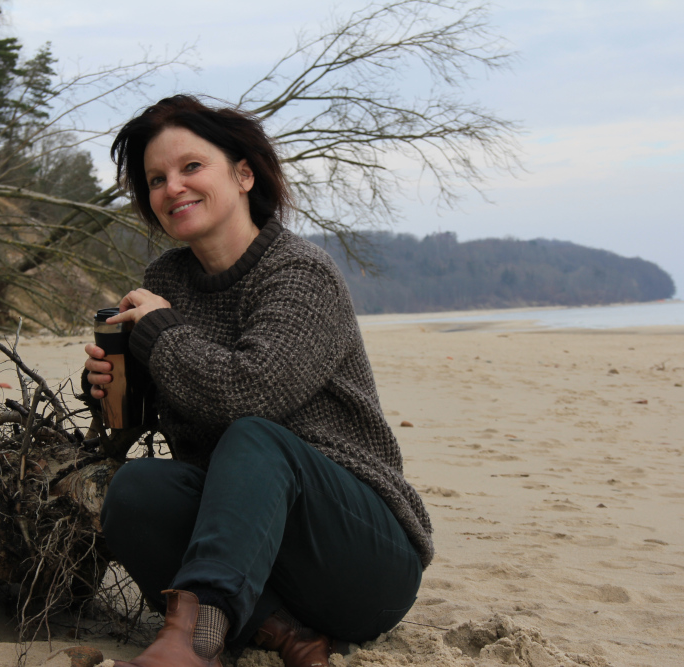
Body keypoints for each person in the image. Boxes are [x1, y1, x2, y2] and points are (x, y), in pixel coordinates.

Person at [84, 95, 433, 667]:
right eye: (156, 179)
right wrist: (111, 383)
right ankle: (288, 637)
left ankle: (192, 640)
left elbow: (252, 394)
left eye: (191, 167)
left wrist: (161, 335)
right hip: (253, 552)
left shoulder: (301, 272)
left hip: (362, 557)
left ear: (244, 175)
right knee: (136, 490)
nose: (173, 187)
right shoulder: (167, 279)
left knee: (254, 434)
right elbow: (168, 398)